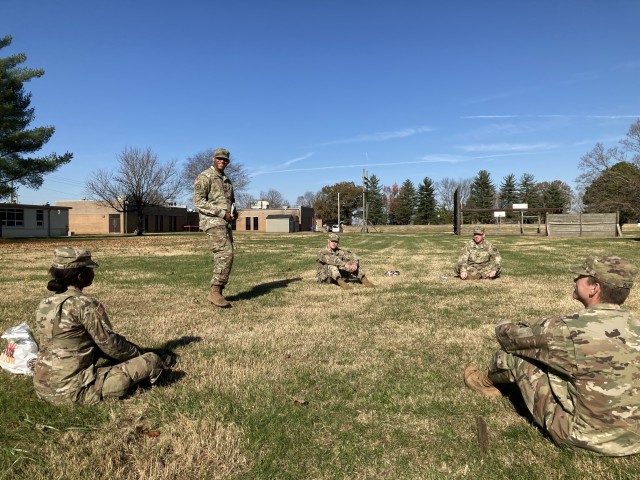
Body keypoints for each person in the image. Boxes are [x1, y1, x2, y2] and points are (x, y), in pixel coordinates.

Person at [464, 254, 640, 456]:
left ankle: (480, 381)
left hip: (585, 439)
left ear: (595, 288)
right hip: (636, 440)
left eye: (581, 276)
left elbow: (508, 338)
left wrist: (504, 323)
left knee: (516, 358)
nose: (575, 280)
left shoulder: (566, 329)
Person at [33, 247, 172, 405]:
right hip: (73, 393)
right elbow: (111, 345)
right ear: (81, 276)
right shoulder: (85, 305)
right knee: (151, 361)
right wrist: (140, 354)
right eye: (91, 269)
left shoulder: (45, 303)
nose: (93, 273)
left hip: (42, 388)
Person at [193, 147, 237, 307]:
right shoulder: (205, 177)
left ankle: (218, 290)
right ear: (213, 159)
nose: (222, 161)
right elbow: (198, 202)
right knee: (225, 253)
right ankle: (215, 291)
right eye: (219, 158)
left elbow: (230, 201)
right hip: (212, 221)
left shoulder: (227, 180)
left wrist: (234, 213)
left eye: (225, 159)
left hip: (225, 222)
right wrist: (220, 213)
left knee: (227, 254)